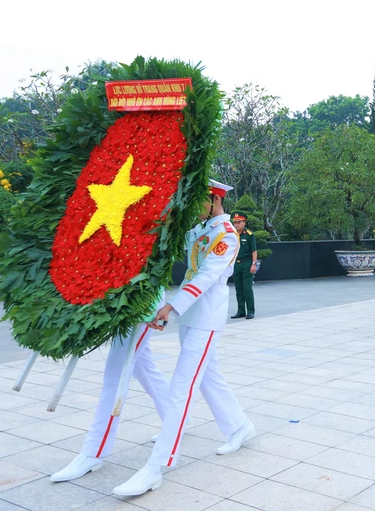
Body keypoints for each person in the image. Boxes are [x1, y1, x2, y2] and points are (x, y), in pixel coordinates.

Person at [112, 180, 255, 496]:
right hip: (191, 316)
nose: (192, 205)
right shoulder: (199, 230)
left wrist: (172, 306)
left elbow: (205, 276)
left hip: (206, 316)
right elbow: (174, 246)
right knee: (207, 378)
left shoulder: (226, 235)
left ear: (214, 198)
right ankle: (239, 426)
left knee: (182, 385)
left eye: (197, 199)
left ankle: (156, 466)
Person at [51, 301, 171, 482]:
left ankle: (94, 451)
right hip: (126, 301)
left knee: (115, 377)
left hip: (142, 303)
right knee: (143, 367)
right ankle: (175, 419)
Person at [229, 212, 257, 320]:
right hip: (236, 263)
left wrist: (253, 264)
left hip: (247, 263)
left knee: (247, 288)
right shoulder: (232, 235)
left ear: (244, 222)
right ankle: (241, 310)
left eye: (239, 222)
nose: (236, 225)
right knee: (238, 288)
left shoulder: (249, 235)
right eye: (235, 222)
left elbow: (254, 250)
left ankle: (250, 310)